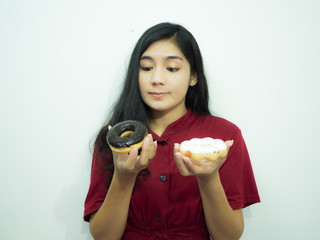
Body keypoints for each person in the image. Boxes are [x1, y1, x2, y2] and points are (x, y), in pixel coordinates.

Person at [84, 22, 260, 240]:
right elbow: (103, 237)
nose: (157, 79)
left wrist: (208, 178)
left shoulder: (223, 137)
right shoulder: (115, 139)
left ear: (193, 75)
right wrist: (124, 176)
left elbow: (228, 236)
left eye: (172, 68)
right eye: (147, 68)